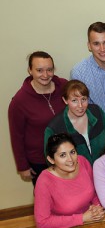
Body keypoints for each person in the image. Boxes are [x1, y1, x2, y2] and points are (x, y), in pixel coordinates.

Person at [8, 51, 67, 185]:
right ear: (30, 70)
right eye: (39, 70)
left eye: (49, 70)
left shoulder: (64, 86)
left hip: (68, 155)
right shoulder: (19, 101)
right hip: (40, 161)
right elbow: (16, 136)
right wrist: (22, 166)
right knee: (46, 199)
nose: (45, 75)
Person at [45, 80, 105, 165]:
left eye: (83, 99)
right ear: (65, 100)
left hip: (104, 170)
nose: (80, 105)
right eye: (74, 100)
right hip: (75, 176)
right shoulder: (54, 128)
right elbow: (51, 161)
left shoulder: (97, 112)